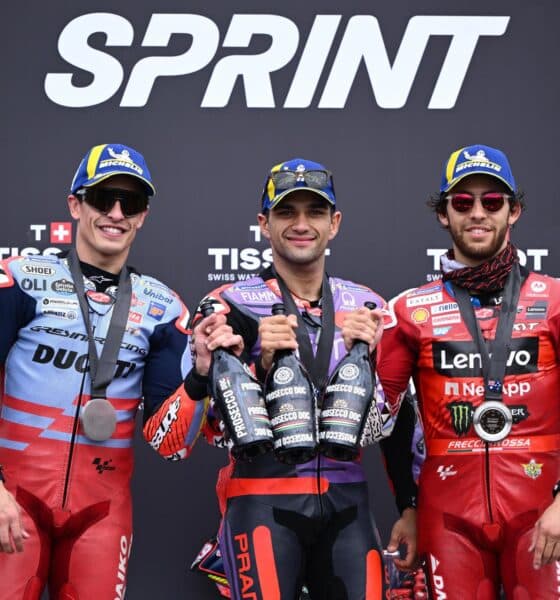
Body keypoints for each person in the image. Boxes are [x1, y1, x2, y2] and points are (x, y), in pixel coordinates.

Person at [151, 158, 416, 599]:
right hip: (262, 504)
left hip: (349, 506)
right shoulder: (228, 305)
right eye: (286, 212)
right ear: (264, 223)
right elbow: (173, 443)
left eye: (314, 212)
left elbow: (393, 422)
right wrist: (258, 368)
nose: (301, 224)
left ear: (334, 224)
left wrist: (409, 505)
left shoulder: (368, 306)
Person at [0, 143, 208, 599]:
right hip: (11, 500)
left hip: (101, 513)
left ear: (142, 216)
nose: (115, 212)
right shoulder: (20, 279)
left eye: (130, 203)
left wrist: (200, 378)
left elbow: (168, 444)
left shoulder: (163, 307)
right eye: (102, 198)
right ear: (75, 204)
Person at [379, 143, 560, 598]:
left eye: (492, 201)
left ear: (513, 210)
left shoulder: (555, 301)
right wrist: (408, 507)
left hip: (542, 512)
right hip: (448, 517)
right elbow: (388, 421)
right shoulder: (407, 311)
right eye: (462, 202)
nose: (477, 213)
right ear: (444, 214)